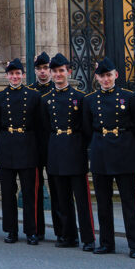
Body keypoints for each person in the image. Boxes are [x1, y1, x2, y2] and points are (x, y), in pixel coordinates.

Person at [82, 57, 135, 259]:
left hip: (125, 153)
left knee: (129, 202)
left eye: (109, 75)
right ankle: (106, 242)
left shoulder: (129, 97)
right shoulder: (90, 100)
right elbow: (86, 128)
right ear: (97, 78)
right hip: (101, 152)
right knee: (103, 202)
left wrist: (125, 140)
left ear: (116, 75)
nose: (106, 79)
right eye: (102, 76)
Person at [39, 53, 95, 251]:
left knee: (81, 199)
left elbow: (87, 129)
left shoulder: (80, 98)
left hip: (75, 150)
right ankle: (67, 235)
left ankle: (88, 237)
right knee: (61, 199)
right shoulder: (45, 100)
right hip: (55, 151)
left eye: (61, 71)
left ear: (69, 72)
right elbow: (46, 128)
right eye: (54, 71)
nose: (58, 74)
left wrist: (81, 148)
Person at [0, 59, 43, 245]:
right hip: (7, 147)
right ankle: (11, 230)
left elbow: (38, 125)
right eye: (11, 74)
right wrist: (6, 139)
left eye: (18, 73)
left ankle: (31, 231)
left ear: (23, 75)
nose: (14, 77)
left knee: (29, 193)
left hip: (28, 147)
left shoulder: (34, 96)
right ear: (7, 76)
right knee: (8, 193)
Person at [31, 51, 57, 241]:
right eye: (39, 68)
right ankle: (38, 229)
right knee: (36, 189)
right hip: (34, 146)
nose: (42, 72)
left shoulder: (57, 90)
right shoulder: (30, 92)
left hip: (55, 145)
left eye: (46, 68)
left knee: (56, 189)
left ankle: (60, 230)